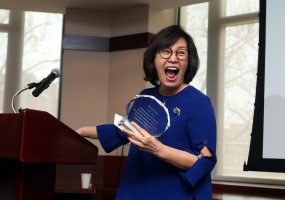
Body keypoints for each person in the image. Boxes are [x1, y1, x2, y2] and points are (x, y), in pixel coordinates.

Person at [77, 25, 217, 200]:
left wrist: (159, 149)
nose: (173, 58)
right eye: (166, 52)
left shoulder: (199, 103)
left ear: (189, 61)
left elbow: (206, 160)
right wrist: (79, 132)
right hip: (133, 191)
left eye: (181, 53)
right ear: (154, 59)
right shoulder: (145, 96)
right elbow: (123, 129)